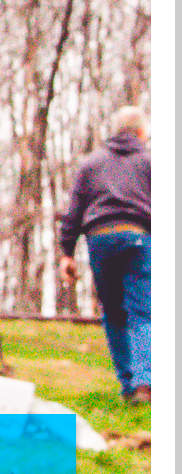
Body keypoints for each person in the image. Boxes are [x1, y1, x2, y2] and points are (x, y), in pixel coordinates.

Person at [58, 106, 150, 405]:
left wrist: (67, 253)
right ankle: (143, 383)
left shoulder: (91, 164)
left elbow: (73, 212)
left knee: (113, 311)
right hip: (137, 236)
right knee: (142, 310)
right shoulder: (148, 161)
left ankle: (127, 383)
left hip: (99, 239)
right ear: (139, 133)